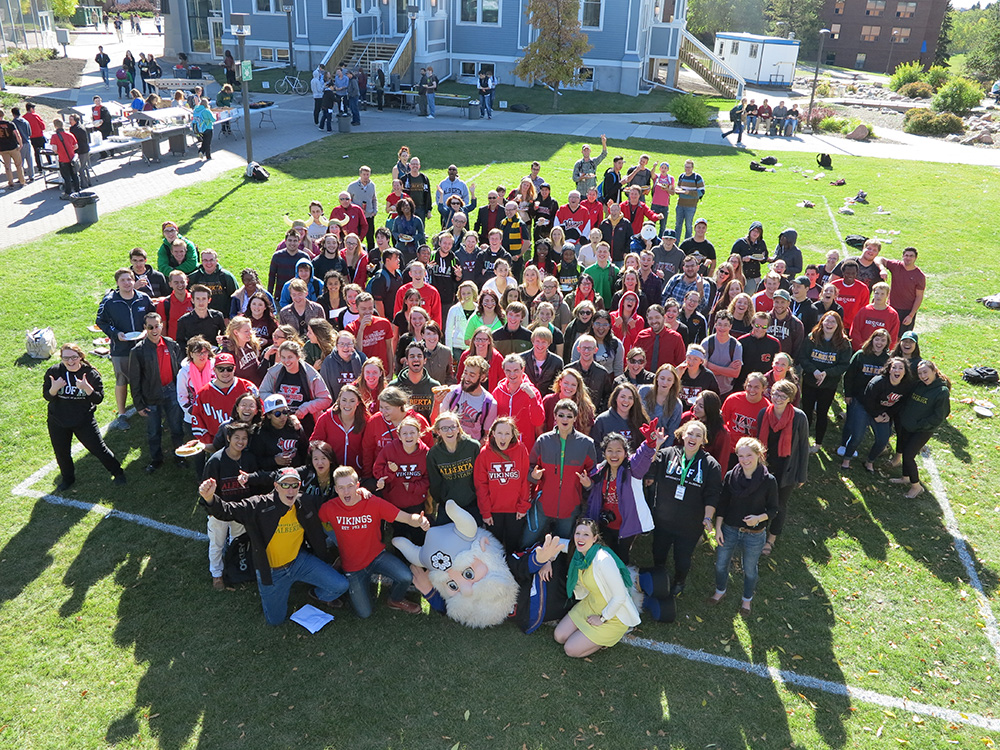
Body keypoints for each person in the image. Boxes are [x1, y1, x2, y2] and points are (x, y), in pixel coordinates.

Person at [199, 468, 349, 625]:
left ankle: (315, 593)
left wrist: (360, 493)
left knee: (341, 585)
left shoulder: (305, 501)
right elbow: (227, 511)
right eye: (285, 485)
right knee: (275, 621)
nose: (290, 490)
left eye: (295, 485)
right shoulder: (258, 505)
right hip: (271, 572)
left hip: (299, 562)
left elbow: (332, 502)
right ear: (276, 486)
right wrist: (210, 498)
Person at [318, 467, 428, 617]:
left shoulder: (373, 502)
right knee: (364, 613)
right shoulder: (329, 508)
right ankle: (341, 569)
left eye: (350, 486)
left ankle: (395, 599)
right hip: (353, 567)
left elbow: (406, 518)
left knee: (405, 576)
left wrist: (419, 521)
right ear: (336, 489)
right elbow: (315, 523)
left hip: (377, 557)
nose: (346, 492)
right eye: (341, 488)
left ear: (357, 486)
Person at [707, 437, 778, 618]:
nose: (744, 460)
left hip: (754, 534)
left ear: (758, 455)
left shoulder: (768, 481)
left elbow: (774, 509)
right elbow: (722, 504)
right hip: (730, 529)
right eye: (740, 456)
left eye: (749, 455)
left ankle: (747, 599)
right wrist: (718, 528)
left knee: (750, 569)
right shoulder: (732, 476)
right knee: (721, 565)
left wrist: (759, 518)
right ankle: (720, 590)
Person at [650, 418, 721, 594]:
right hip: (663, 518)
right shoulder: (667, 453)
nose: (693, 437)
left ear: (703, 441)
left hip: (690, 523)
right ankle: (659, 576)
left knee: (682, 557)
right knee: (658, 551)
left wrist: (707, 518)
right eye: (690, 433)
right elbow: (648, 467)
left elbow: (712, 495)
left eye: (698, 435)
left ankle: (679, 581)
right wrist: (656, 446)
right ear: (682, 434)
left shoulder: (710, 465)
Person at [44, 343, 127, 492]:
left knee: (98, 449)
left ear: (80, 357)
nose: (70, 361)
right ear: (61, 358)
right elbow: (47, 396)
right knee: (62, 453)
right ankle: (68, 479)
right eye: (66, 358)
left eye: (74, 357)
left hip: (83, 421)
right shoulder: (54, 372)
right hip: (58, 421)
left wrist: (87, 387)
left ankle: (117, 472)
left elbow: (98, 399)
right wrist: (54, 388)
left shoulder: (90, 374)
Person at [554, 518, 641, 657]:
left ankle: (604, 639)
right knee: (559, 636)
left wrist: (601, 619)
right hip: (591, 604)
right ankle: (587, 635)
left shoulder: (603, 560)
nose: (580, 538)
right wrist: (547, 561)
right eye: (578, 533)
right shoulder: (577, 551)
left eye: (586, 534)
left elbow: (620, 597)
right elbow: (553, 543)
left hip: (613, 614)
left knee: (570, 649)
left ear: (595, 538)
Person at [582, 422, 661, 563]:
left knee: (622, 557)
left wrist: (650, 442)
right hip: (605, 523)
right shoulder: (600, 470)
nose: (614, 454)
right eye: (610, 450)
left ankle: (623, 581)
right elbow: (594, 496)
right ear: (604, 452)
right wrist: (588, 485)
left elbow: (642, 458)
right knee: (604, 556)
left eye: (618, 450)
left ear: (625, 453)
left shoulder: (632, 469)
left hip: (626, 525)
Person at [525, 399, 597, 546]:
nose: (565, 419)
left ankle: (558, 569)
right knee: (526, 541)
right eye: (561, 415)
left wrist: (589, 483)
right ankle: (518, 565)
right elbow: (529, 468)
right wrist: (533, 476)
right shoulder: (543, 440)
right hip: (543, 504)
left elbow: (594, 474)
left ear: (575, 419)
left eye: (569, 416)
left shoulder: (586, 444)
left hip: (569, 507)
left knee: (563, 546)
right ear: (555, 416)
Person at [755, 380, 808, 556]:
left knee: (780, 505)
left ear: (789, 399)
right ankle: (758, 530)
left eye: (782, 396)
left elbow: (803, 448)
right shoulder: (764, 413)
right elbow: (757, 443)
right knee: (761, 500)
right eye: (775, 393)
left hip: (787, 469)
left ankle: (771, 539)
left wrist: (801, 475)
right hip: (765, 466)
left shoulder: (799, 417)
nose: (777, 398)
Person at [128, 312, 185, 474]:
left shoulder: (171, 344)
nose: (154, 329)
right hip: (151, 396)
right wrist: (139, 404)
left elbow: (180, 370)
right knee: (153, 431)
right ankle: (156, 459)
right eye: (150, 327)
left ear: (162, 325)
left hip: (172, 392)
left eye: (157, 325)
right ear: (144, 328)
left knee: (176, 428)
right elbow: (135, 380)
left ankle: (180, 456)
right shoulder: (138, 351)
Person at [841, 356, 911, 473]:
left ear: (905, 371)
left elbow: (900, 403)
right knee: (857, 436)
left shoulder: (905, 386)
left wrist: (889, 414)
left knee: (883, 440)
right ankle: (846, 459)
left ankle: (869, 461)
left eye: (900, 368)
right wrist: (875, 416)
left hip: (882, 412)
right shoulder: (878, 382)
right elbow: (868, 401)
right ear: (889, 369)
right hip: (864, 408)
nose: (897, 371)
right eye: (894, 367)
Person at [893, 360, 950, 499]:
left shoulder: (941, 391)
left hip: (922, 430)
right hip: (907, 425)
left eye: (925, 372)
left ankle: (916, 486)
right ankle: (905, 477)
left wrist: (919, 424)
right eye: (920, 373)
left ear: (934, 371)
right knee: (904, 448)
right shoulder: (918, 385)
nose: (923, 376)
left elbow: (940, 416)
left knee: (908, 455)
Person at [798, 311, 852, 453]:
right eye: (826, 321)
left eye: (833, 322)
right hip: (810, 381)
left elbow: (844, 364)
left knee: (822, 413)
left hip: (828, 385)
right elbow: (803, 357)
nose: (829, 324)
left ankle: (818, 443)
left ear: (838, 325)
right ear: (821, 322)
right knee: (806, 411)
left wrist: (826, 373)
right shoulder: (812, 338)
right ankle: (803, 440)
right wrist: (814, 371)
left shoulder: (844, 343)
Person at [425, 411, 479, 519]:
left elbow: (480, 477)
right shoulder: (433, 454)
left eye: (453, 427)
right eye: (444, 428)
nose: (449, 431)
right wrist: (442, 499)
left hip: (472, 502)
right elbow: (435, 483)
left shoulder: (473, 447)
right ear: (438, 431)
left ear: (458, 428)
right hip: (448, 505)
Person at [878, 246, 925, 334]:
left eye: (911, 256)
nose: (908, 258)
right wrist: (882, 269)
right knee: (886, 333)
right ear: (903, 256)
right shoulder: (896, 266)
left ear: (915, 258)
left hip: (907, 311)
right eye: (906, 255)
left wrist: (911, 315)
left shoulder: (919, 276)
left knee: (901, 337)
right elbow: (879, 259)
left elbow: (919, 296)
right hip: (891, 307)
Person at [49, 118, 80, 198]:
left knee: (66, 177)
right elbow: (76, 146)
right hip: (72, 158)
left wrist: (59, 151)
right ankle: (78, 190)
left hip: (63, 159)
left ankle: (68, 193)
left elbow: (55, 149)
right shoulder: (70, 134)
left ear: (55, 126)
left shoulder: (54, 136)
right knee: (74, 175)